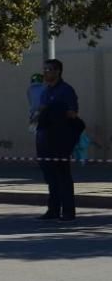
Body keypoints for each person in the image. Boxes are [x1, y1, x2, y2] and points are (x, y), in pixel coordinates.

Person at [36, 59, 84, 221]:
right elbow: (40, 111)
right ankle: (53, 209)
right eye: (44, 69)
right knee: (49, 175)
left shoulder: (66, 90)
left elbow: (72, 113)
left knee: (62, 175)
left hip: (60, 138)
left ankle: (68, 211)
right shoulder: (45, 91)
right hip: (45, 137)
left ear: (58, 71)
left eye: (49, 69)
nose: (46, 72)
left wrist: (55, 113)